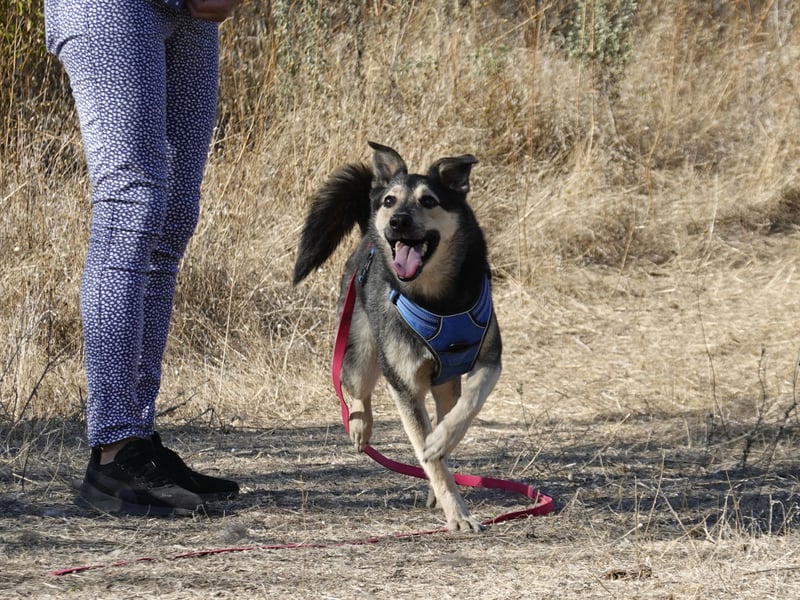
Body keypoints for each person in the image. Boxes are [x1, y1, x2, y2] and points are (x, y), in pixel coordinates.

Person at [45, 0, 242, 516]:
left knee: (173, 215)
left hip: (191, 16)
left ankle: (137, 441)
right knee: (132, 206)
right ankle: (114, 453)